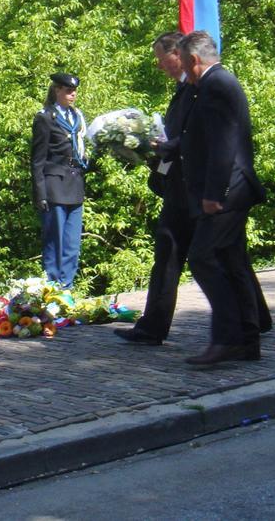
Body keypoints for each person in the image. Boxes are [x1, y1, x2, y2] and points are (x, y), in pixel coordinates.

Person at [178, 31, 268, 365]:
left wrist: (214, 194)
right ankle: (247, 339)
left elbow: (224, 144)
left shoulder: (216, 85)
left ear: (193, 60)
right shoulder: (219, 83)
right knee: (232, 261)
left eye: (185, 64)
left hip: (228, 190)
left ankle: (229, 338)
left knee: (202, 257)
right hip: (233, 187)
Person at [114, 32, 196, 345]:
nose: (160, 66)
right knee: (168, 252)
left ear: (178, 54)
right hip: (178, 185)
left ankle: (250, 323)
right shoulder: (184, 88)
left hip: (197, 187)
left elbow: (197, 137)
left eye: (162, 59)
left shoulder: (200, 88)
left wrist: (165, 147)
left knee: (218, 259)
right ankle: (152, 327)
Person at [31, 72, 88, 289]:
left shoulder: (77, 117)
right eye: (67, 90)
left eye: (74, 91)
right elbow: (37, 159)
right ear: (56, 90)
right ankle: (53, 289)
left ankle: (67, 287)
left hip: (75, 184)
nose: (72, 94)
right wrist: (40, 193)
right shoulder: (45, 117)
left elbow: (81, 151)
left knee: (72, 243)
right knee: (55, 241)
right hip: (54, 185)